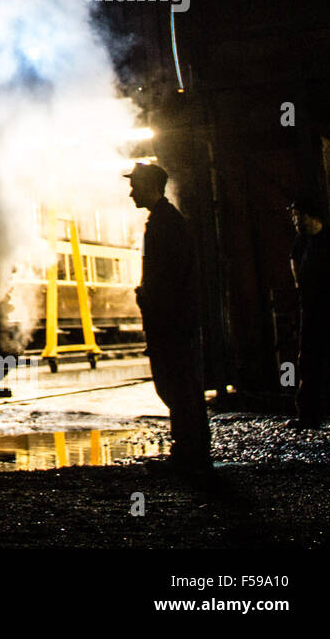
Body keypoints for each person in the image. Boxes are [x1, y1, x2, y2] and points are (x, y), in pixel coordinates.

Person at [126, 163, 212, 475]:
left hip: (170, 322)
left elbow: (168, 278)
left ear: (149, 186)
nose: (131, 191)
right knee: (180, 387)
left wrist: (147, 298)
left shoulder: (164, 224)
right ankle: (191, 452)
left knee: (177, 386)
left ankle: (189, 456)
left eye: (134, 185)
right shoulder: (165, 220)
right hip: (173, 319)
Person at [286, 196, 330, 429]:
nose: (295, 220)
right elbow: (293, 261)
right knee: (308, 362)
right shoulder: (302, 241)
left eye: (297, 215)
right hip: (310, 309)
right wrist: (300, 285)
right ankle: (308, 415)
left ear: (310, 215)